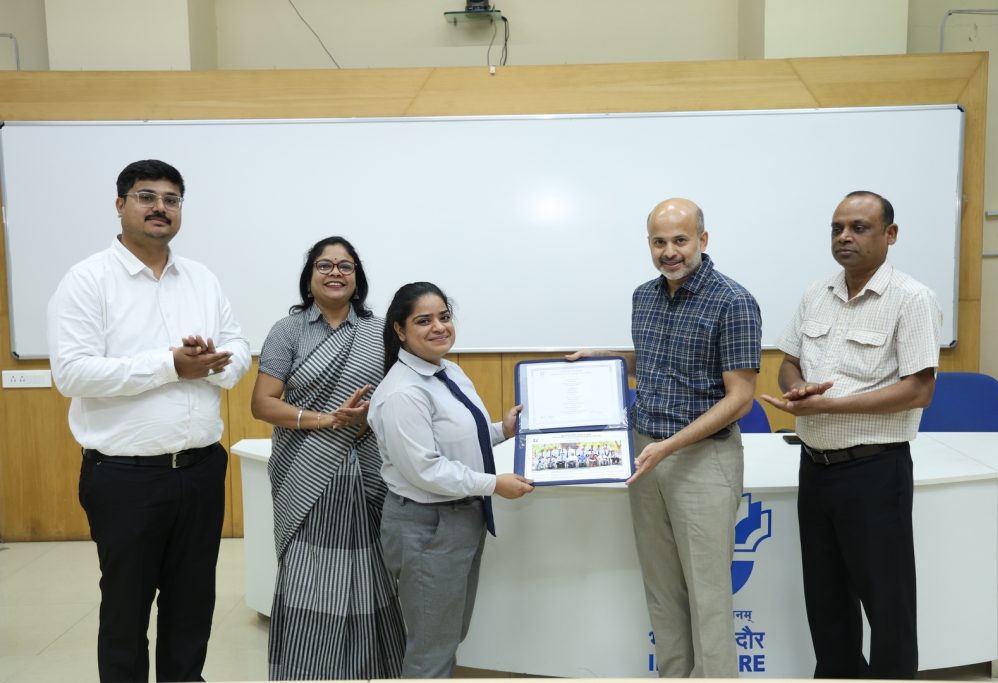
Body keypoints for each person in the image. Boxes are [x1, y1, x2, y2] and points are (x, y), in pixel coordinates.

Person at [47, 159, 251, 683]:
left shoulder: (201, 278)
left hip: (201, 470)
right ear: (120, 205)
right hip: (125, 477)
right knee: (126, 610)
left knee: (192, 606)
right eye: (146, 196)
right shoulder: (87, 280)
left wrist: (215, 364)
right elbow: (72, 373)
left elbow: (237, 344)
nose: (160, 207)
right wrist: (170, 365)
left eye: (171, 199)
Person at [568, 197, 762, 678]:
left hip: (701, 459)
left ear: (703, 240)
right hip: (644, 454)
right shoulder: (645, 296)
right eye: (659, 242)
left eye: (680, 240)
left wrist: (669, 447)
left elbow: (741, 397)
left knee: (708, 596)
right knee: (661, 589)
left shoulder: (733, 301)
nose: (669, 252)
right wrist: (607, 360)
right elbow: (658, 362)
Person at [761, 190, 941, 679]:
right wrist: (798, 389)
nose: (844, 236)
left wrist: (830, 405)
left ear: (890, 234)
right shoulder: (816, 293)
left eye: (859, 227)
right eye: (837, 228)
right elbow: (789, 361)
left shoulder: (911, 298)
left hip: (874, 471)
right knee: (827, 602)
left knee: (887, 606)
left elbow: (919, 390)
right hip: (815, 468)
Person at [250, 236, 404, 680]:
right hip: (304, 471)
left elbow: (401, 396)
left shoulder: (381, 332)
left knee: (368, 569)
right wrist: (326, 421)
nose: (335, 272)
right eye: (325, 265)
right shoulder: (288, 331)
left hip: (368, 470)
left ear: (357, 277)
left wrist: (366, 417)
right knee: (308, 573)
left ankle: (371, 669)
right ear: (310, 276)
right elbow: (262, 404)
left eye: (345, 266)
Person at [367, 281, 535, 678]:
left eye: (444, 317)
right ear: (399, 330)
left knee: (448, 633)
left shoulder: (449, 371)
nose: (439, 327)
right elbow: (425, 470)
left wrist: (502, 430)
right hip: (427, 525)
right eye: (424, 321)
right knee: (431, 647)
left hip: (461, 517)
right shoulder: (402, 393)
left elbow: (459, 439)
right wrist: (494, 485)